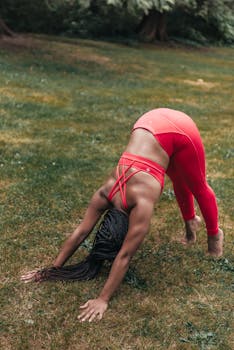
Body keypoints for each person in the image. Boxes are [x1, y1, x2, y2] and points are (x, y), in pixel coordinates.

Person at [21, 108, 223, 323]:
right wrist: (52, 270)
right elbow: (80, 233)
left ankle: (214, 235)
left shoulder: (139, 203)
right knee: (178, 176)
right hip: (147, 123)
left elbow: (124, 256)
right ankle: (191, 222)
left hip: (178, 128)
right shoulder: (105, 193)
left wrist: (103, 299)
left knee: (197, 185)